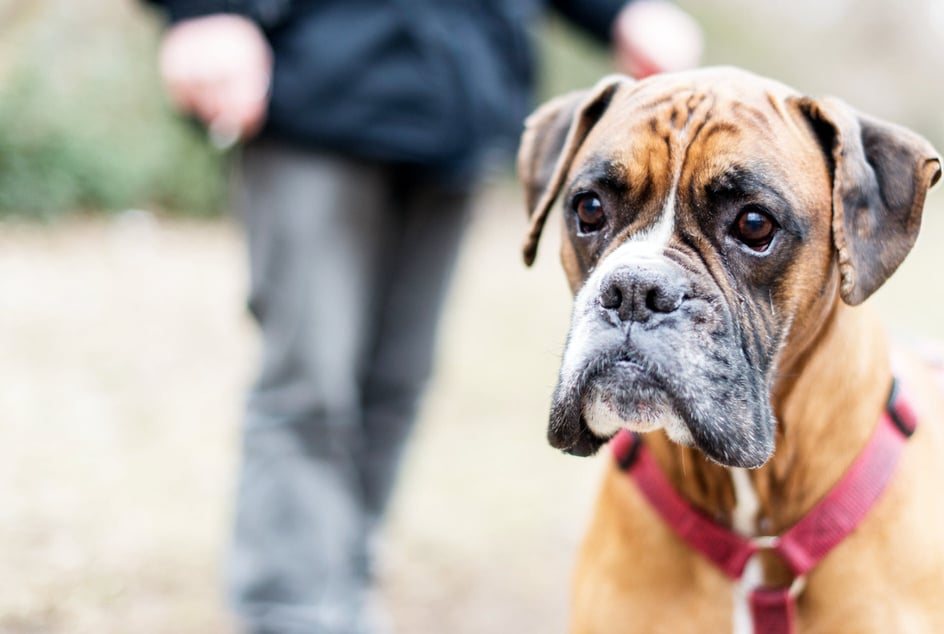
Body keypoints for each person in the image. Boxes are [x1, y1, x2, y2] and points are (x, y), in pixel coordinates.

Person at [148, 1, 703, 632]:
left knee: (398, 381)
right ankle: (290, 609)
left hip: (460, 100)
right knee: (308, 381)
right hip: (314, 85)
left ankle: (343, 589)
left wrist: (618, 13)